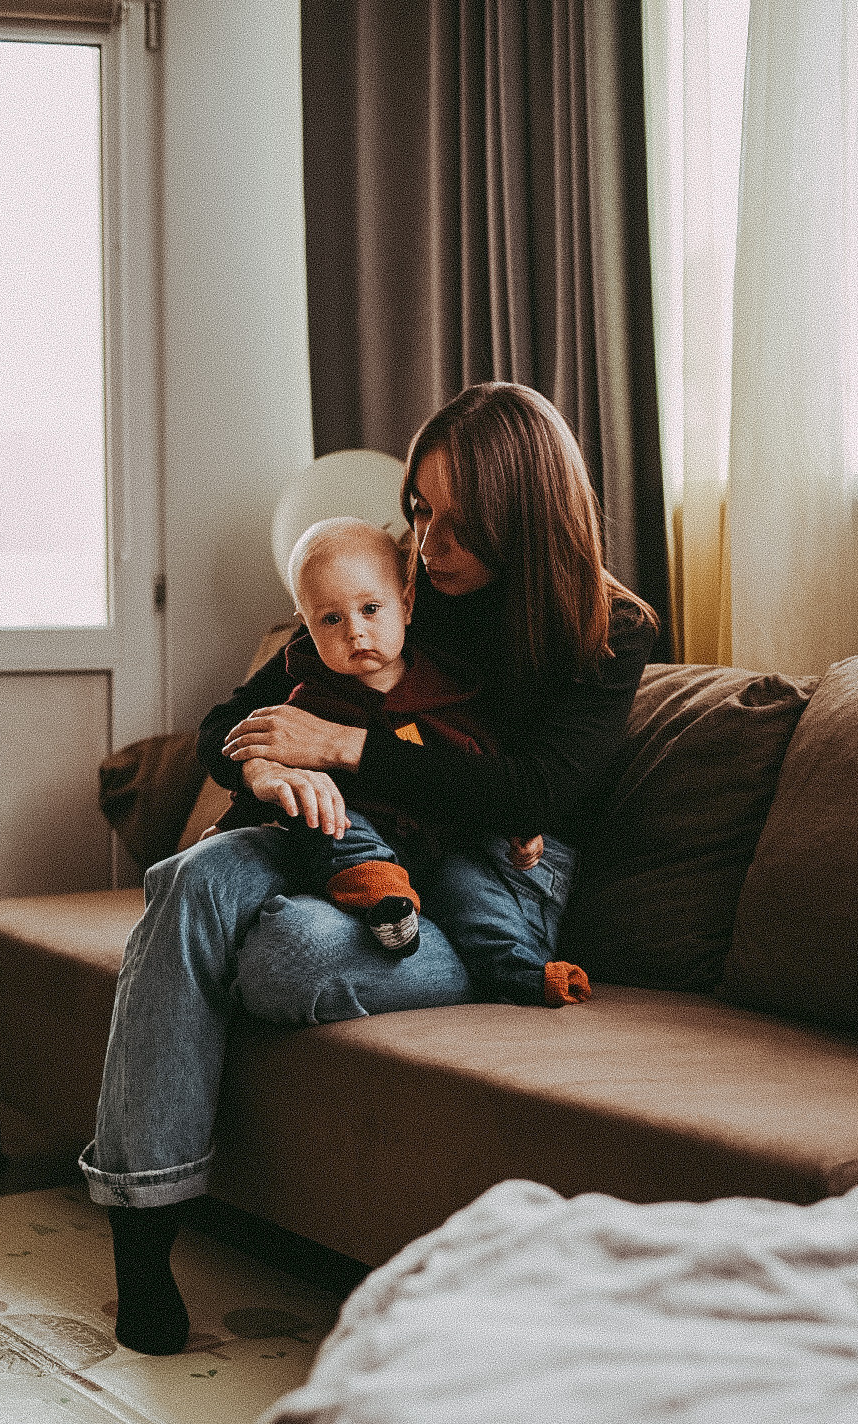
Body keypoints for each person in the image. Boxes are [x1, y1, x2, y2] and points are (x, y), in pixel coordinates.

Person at [79, 380, 658, 1358]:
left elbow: (530, 794)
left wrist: (342, 750)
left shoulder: (609, 630)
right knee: (189, 881)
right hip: (346, 836)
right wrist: (264, 761)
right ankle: (142, 1237)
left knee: (281, 956)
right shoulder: (394, 591)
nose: (428, 544)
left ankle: (370, 922)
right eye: (420, 512)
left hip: (490, 886)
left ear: (523, 513)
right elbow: (233, 719)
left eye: (456, 523)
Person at [212, 513, 592, 1007]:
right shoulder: (305, 700)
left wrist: (519, 825)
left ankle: (524, 974)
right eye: (331, 619)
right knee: (324, 815)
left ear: (407, 605)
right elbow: (247, 748)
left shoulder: (445, 691)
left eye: (371, 609)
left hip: (445, 847)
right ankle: (384, 898)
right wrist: (233, 818)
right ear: (305, 627)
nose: (356, 632)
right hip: (353, 851)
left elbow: (484, 770)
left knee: (478, 901)